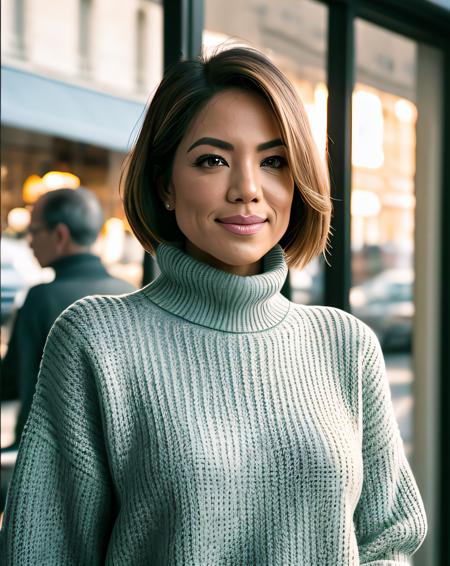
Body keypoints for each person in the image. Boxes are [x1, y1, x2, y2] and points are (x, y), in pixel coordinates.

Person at [0, 47, 426, 564]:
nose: (247, 189)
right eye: (212, 160)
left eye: (274, 161)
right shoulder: (96, 340)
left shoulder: (346, 343)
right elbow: (44, 551)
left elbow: (389, 538)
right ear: (166, 185)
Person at [1, 187, 135, 447]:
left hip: (50, 454)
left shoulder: (42, 298)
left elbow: (12, 381)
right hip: (115, 452)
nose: (29, 241)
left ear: (60, 235)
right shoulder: (128, 293)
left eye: (34, 231)